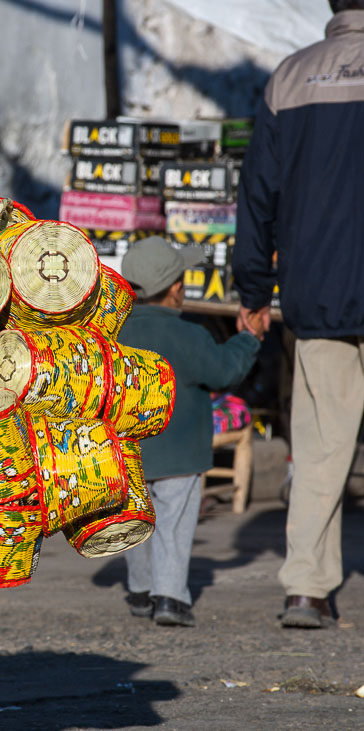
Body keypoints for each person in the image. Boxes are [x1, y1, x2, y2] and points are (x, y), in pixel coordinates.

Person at [233, 0, 364, 629]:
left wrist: (253, 289)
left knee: (320, 444)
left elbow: (257, 194)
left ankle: (307, 589)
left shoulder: (290, 75)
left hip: (318, 292)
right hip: (327, 291)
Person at [118, 237, 259, 627]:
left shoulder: (114, 334)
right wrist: (247, 340)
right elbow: (224, 370)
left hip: (125, 452)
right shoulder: (192, 336)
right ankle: (170, 598)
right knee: (174, 525)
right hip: (181, 452)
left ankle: (141, 592)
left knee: (134, 520)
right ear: (177, 289)